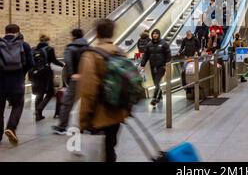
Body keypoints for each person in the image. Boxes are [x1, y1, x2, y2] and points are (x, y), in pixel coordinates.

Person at [78, 19, 129, 162]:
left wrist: (83, 120)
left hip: (99, 113)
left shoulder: (91, 55)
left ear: (97, 33)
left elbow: (88, 90)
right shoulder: (120, 53)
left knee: (99, 152)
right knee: (110, 148)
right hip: (118, 111)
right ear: (112, 33)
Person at [0, 24, 34, 145]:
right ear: (18, 32)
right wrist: (21, 73)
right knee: (18, 105)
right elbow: (30, 64)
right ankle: (11, 128)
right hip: (17, 82)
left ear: (5, 32)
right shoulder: (24, 45)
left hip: (1, 82)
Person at [52, 29, 89, 135]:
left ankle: (62, 126)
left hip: (76, 79)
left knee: (67, 102)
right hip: (87, 78)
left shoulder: (70, 48)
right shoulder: (89, 47)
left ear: (73, 36)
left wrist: (73, 74)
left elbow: (67, 62)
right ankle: (87, 126)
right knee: (87, 101)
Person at [30, 35, 64, 121]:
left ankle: (38, 115)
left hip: (35, 74)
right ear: (47, 41)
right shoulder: (49, 49)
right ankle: (39, 109)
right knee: (50, 93)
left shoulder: (33, 49)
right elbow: (54, 61)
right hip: (46, 73)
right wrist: (62, 65)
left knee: (39, 93)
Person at [140, 29, 171, 107]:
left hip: (161, 66)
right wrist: (142, 65)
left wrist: (167, 65)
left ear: (159, 35)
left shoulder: (164, 44)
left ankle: (154, 99)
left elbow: (168, 55)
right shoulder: (149, 45)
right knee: (155, 82)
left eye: (156, 33)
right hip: (153, 66)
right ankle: (160, 96)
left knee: (157, 82)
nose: (155, 35)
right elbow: (145, 56)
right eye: (153, 33)